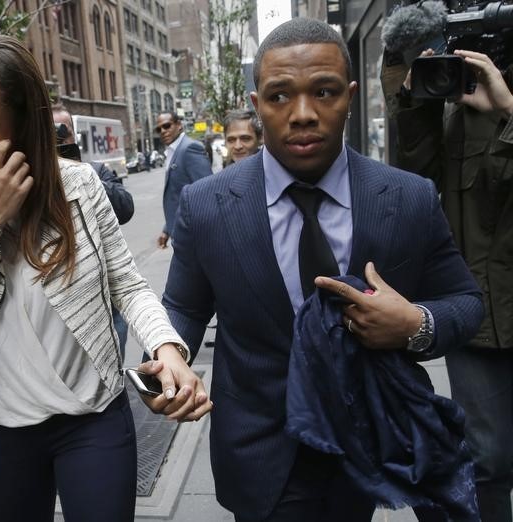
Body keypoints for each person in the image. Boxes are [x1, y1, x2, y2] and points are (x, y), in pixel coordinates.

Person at [141, 18, 483, 522]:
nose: (303, 114)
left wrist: (414, 326)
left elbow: (466, 303)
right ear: (257, 108)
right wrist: (168, 358)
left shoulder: (407, 198)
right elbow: (184, 309)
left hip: (369, 448)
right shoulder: (207, 205)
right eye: (280, 97)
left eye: (323, 92)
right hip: (263, 454)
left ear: (348, 97)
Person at [0, 34, 212, 522]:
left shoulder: (77, 185)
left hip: (93, 421)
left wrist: (168, 350)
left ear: (23, 127)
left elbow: (126, 284)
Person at [385, 47, 513, 522]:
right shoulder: (458, 96)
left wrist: (509, 110)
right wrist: (417, 99)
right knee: (488, 462)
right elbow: (417, 181)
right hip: (480, 314)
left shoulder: (496, 98)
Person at [52, 103, 134, 356]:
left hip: (105, 296)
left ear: (73, 135)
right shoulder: (31, 177)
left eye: (61, 131)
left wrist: (80, 174)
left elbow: (125, 208)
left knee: (112, 364)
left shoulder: (94, 171)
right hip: (60, 300)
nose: (56, 137)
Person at [154, 111, 212, 248]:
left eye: (167, 126)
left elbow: (208, 191)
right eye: (159, 129)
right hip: (181, 233)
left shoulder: (190, 148)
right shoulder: (173, 151)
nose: (163, 131)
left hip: (194, 234)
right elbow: (177, 196)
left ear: (179, 125)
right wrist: (167, 229)